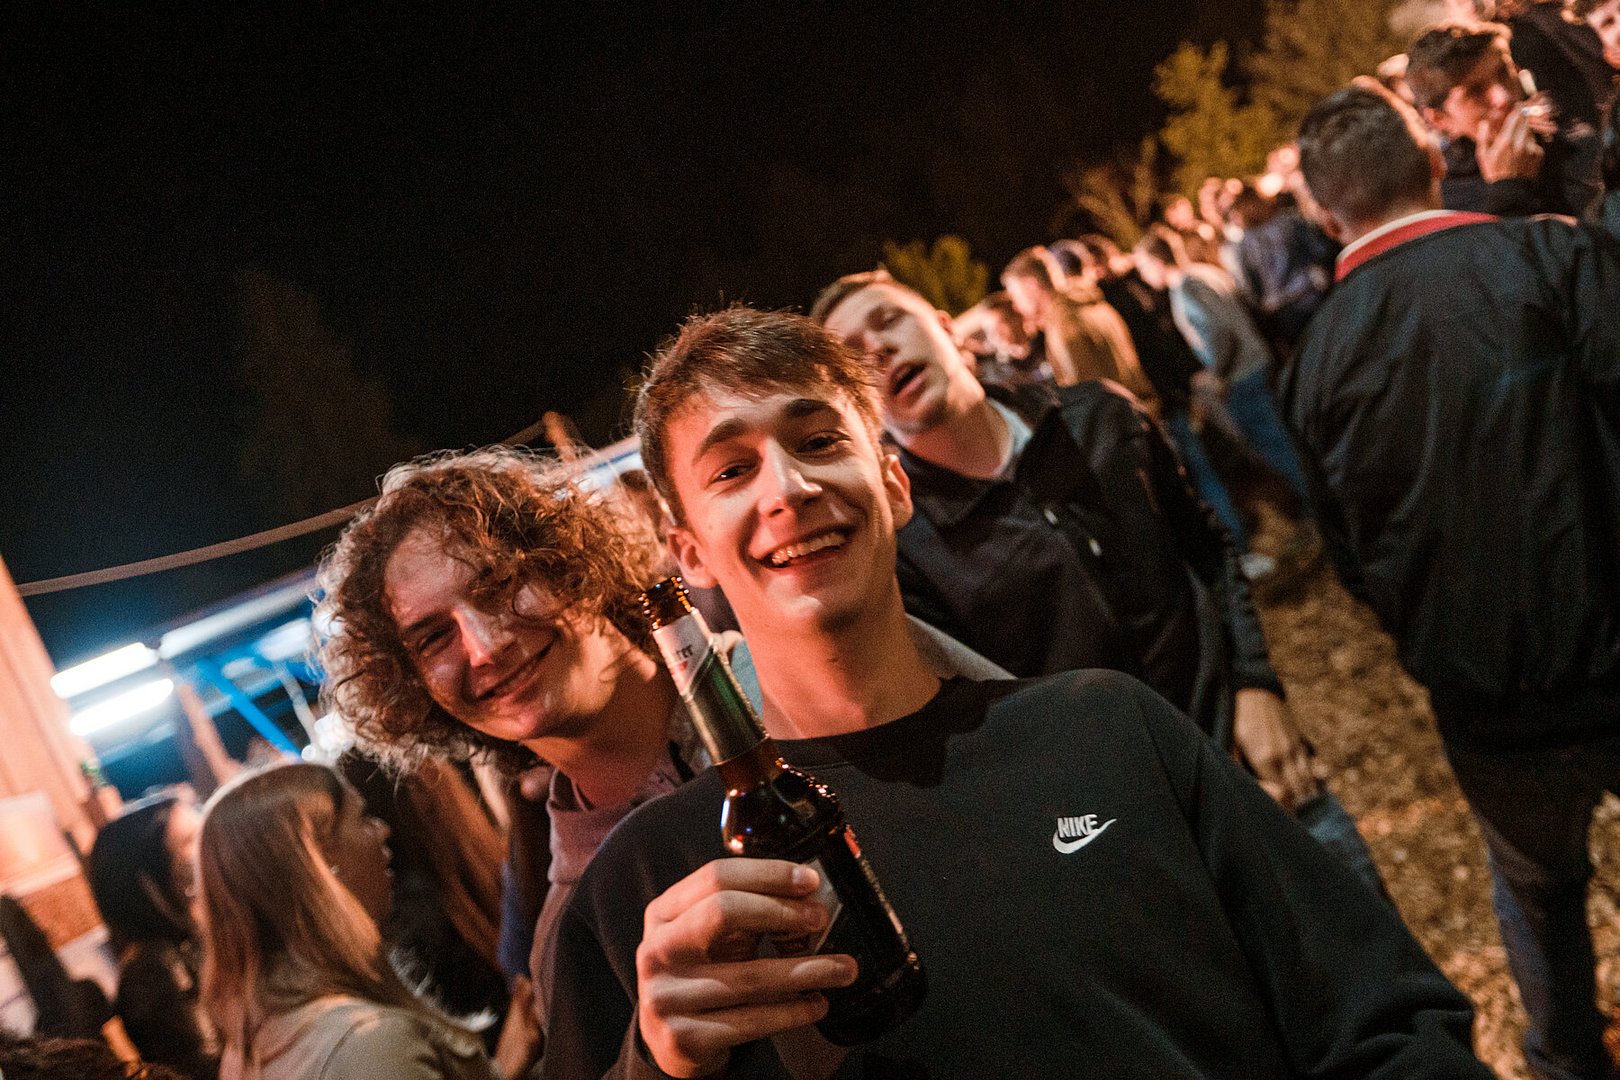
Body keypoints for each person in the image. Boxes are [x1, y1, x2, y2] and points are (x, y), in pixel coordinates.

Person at [539, 305, 1491, 1079]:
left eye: (819, 439)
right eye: (733, 469)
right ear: (689, 553)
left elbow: (1381, 1015)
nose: (787, 488)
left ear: (894, 485)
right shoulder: (651, 888)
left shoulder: (1108, 729)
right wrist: (651, 1067)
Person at [812, 269, 1379, 887]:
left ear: (947, 329)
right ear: (856, 407)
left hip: (1257, 767)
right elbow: (985, 733)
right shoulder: (904, 550)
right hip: (1132, 843)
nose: (878, 349)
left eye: (889, 320)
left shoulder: (1100, 418)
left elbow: (1208, 553)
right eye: (852, 355)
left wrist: (1254, 684)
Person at [1287, 82, 1620, 1080]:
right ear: (1435, 159)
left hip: (1485, 694)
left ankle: (1565, 1056)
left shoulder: (1316, 361)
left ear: (1324, 214)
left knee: (1540, 891)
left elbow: (1353, 558)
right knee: (1535, 885)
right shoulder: (1545, 255)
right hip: (1607, 651)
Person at [195, 761, 499, 1079]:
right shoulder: (369, 1044)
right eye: (364, 818)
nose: (382, 830)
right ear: (323, 865)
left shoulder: (246, 1052)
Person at [1405, 21, 1603, 220]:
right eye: (1475, 92)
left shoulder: (1576, 142)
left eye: (1503, 72)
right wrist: (1510, 190)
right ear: (1439, 119)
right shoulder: (1449, 206)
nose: (1503, 97)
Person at [87, 791, 221, 1080]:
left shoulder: (195, 939)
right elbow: (210, 1069)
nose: (210, 843)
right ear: (150, 880)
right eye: (190, 839)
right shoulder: (153, 971)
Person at [999, 245, 1160, 412]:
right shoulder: (1091, 302)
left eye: (1016, 294)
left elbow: (1086, 396)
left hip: (1122, 420)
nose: (1016, 305)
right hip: (1142, 410)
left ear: (1032, 285)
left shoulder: (1064, 325)